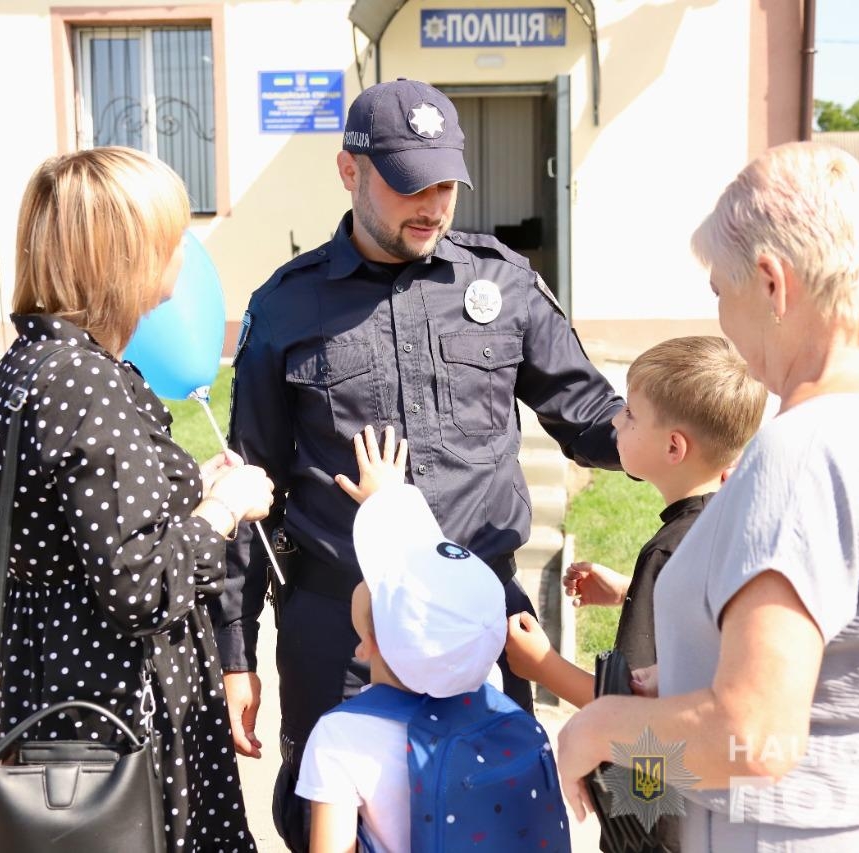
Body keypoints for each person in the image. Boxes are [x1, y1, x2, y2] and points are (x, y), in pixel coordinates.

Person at [215, 78, 624, 849]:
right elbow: (251, 490)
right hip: (342, 631)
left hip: (478, 622)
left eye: (445, 182)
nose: (434, 204)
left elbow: (591, 414)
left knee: (493, 814)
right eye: (410, 184)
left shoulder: (499, 281)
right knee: (329, 822)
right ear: (349, 171)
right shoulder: (286, 306)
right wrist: (235, 650)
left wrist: (699, 448)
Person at [554, 142, 859, 851]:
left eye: (722, 289)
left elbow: (753, 733)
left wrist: (599, 727)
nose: (720, 314)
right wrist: (683, 675)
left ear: (773, 283)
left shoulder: (802, 451)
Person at [0, 147, 274, 852]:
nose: (183, 253)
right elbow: (136, 584)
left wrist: (189, 485)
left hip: (49, 686)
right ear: (125, 257)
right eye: (171, 238)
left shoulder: (21, 370)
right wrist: (223, 510)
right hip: (119, 713)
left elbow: (59, 529)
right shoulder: (87, 382)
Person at [507, 335, 767, 852]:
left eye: (629, 415)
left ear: (674, 447)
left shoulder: (666, 555)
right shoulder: (730, 525)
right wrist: (630, 593)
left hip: (656, 815)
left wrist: (541, 665)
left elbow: (630, 705)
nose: (613, 422)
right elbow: (707, 629)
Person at [294, 425, 506, 852]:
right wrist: (389, 502)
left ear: (366, 644)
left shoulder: (343, 737)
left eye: (375, 579)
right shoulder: (491, 696)